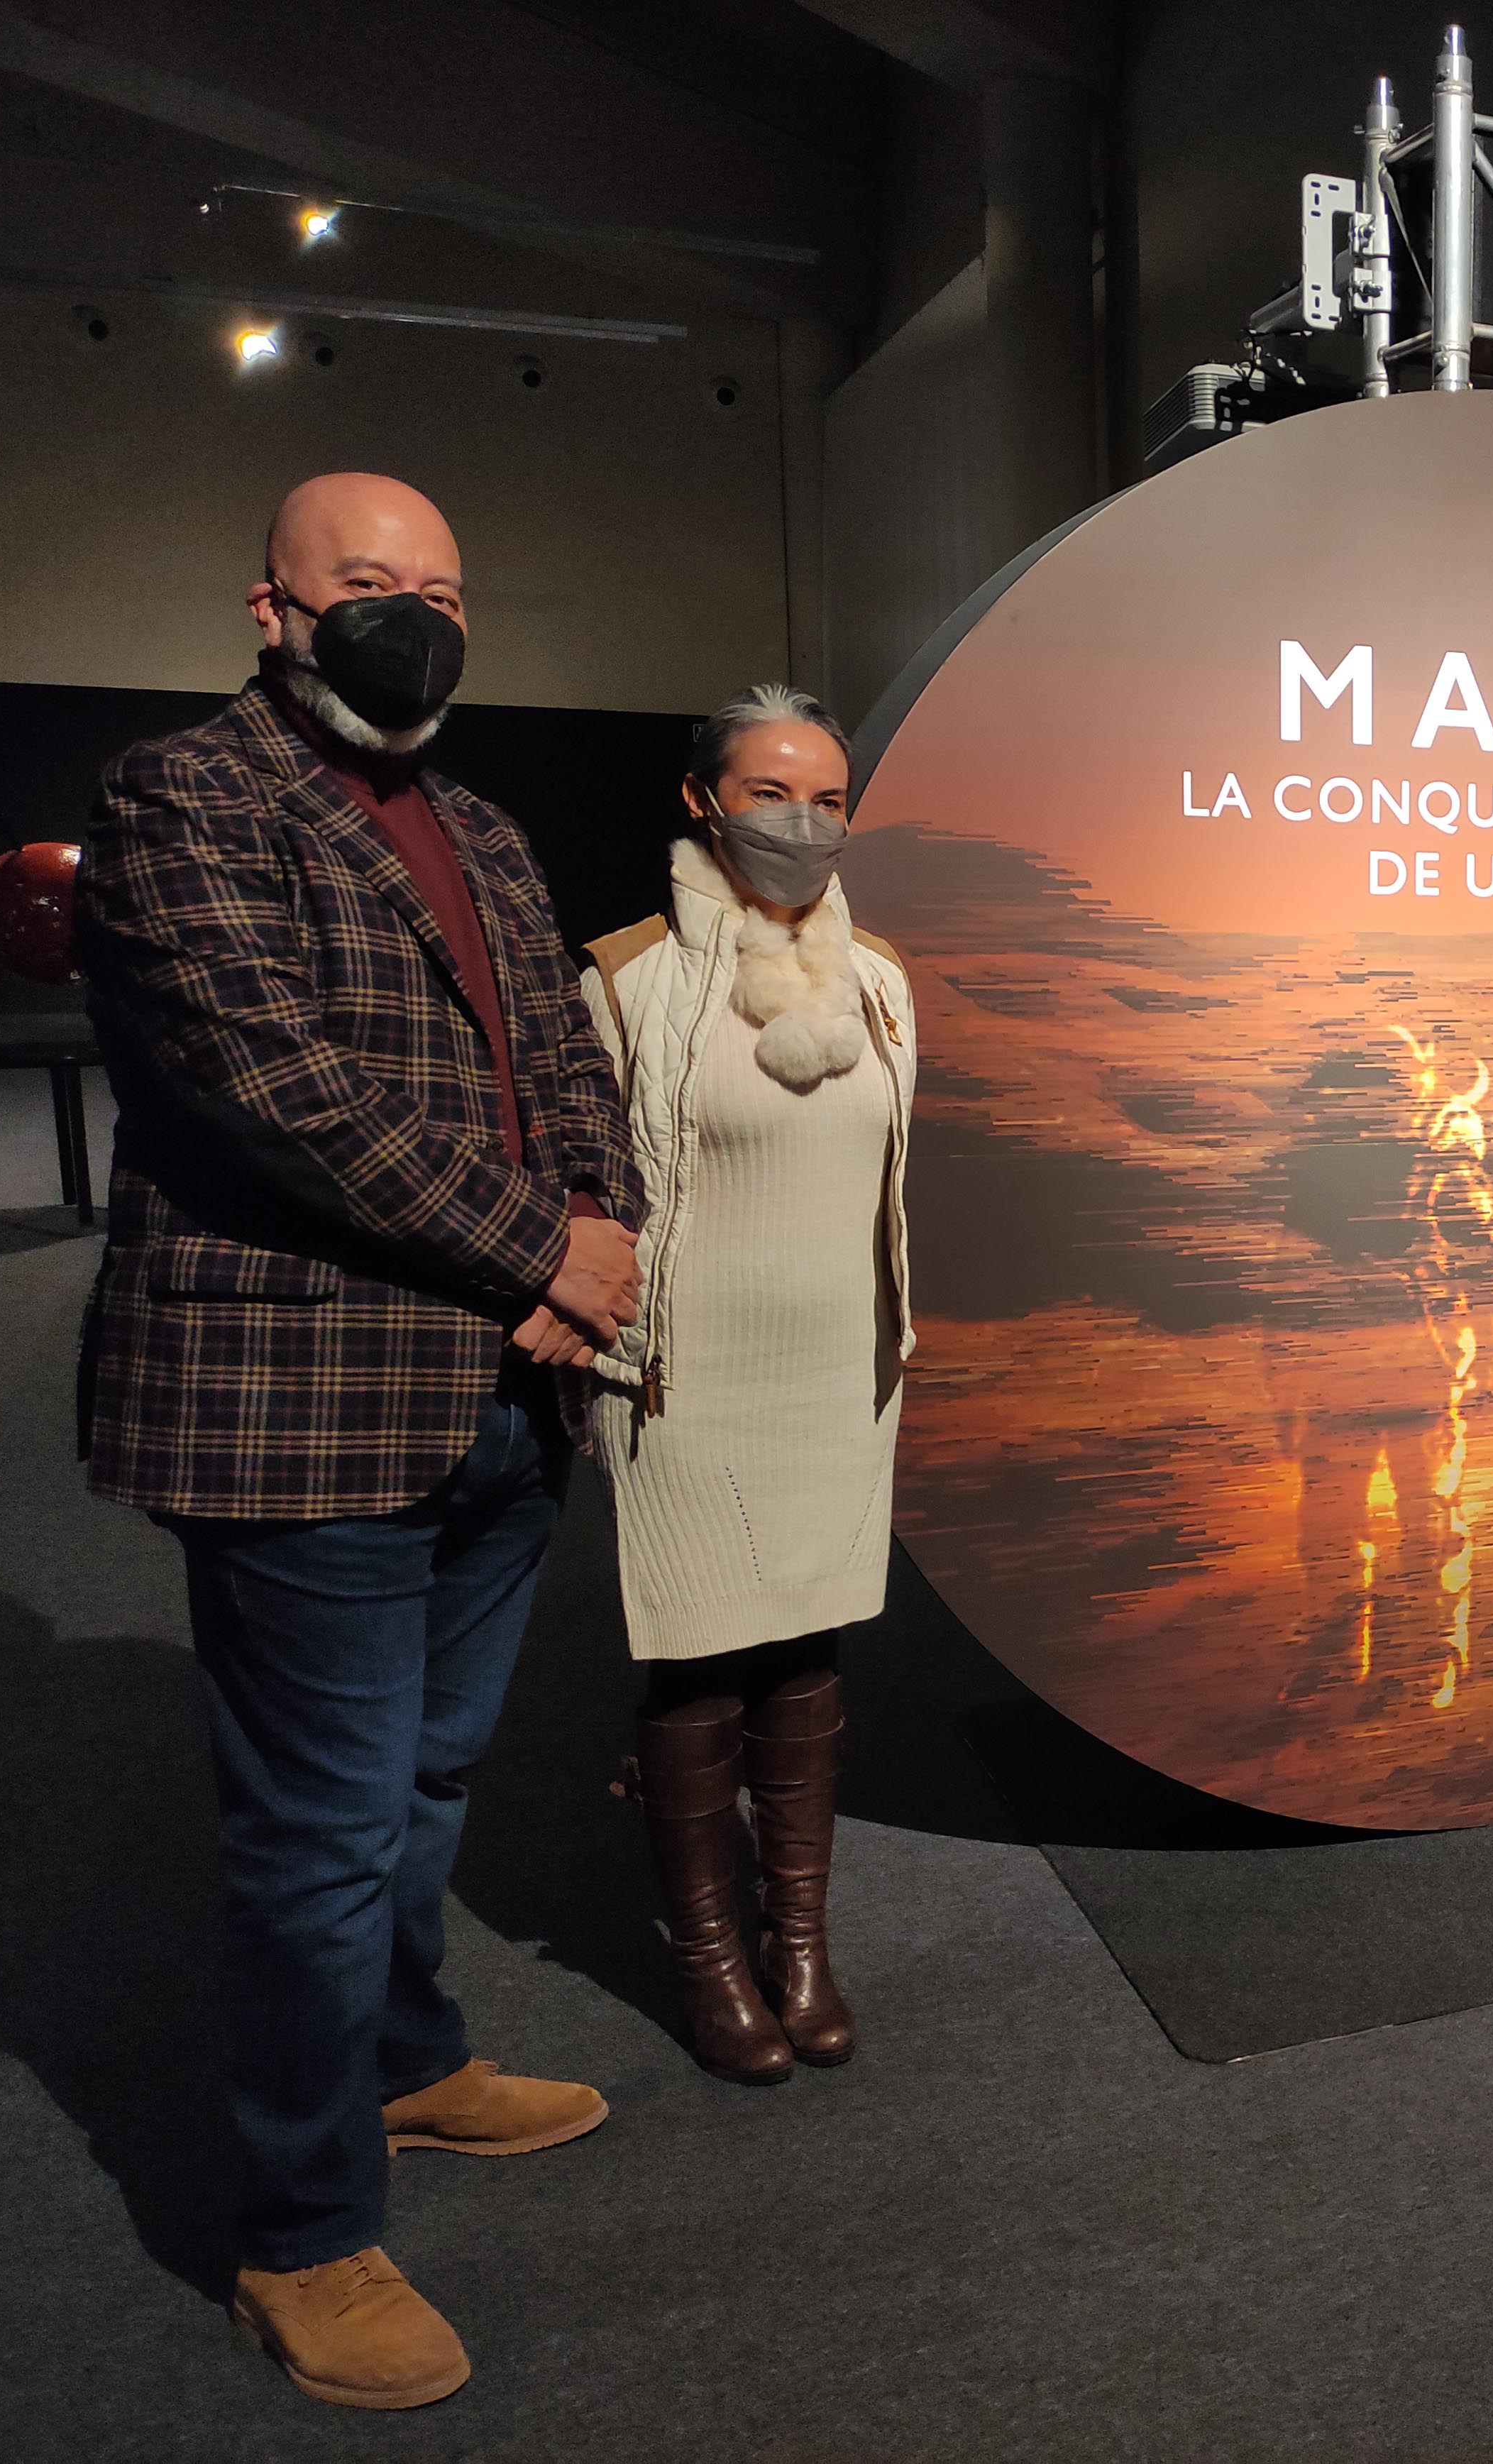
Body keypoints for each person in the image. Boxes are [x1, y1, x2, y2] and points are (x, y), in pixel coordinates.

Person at [73, 473, 643, 2409]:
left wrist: (601, 1233)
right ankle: (303, 2234)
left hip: (508, 1384)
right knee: (318, 1837)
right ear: (274, 606)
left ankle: (404, 2062)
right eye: (373, 583)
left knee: (428, 1776)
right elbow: (278, 1095)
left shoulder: (480, 823)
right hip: (301, 1399)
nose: (415, 617)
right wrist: (545, 1248)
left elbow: (569, 1057)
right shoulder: (182, 798)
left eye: (445, 590)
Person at [576, 685, 915, 2081]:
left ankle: (801, 1945)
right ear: (702, 800)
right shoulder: (627, 979)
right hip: (688, 1376)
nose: (802, 822)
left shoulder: (879, 980)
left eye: (829, 798)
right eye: (771, 793)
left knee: (808, 1649)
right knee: (698, 1659)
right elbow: (591, 1188)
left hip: (838, 1372)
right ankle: (710, 1959)